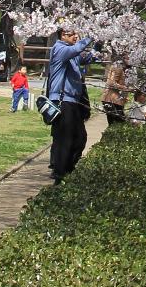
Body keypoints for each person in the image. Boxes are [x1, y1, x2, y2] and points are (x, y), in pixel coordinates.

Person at [46, 26, 92, 182]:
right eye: (72, 34)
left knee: (80, 138)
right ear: (62, 36)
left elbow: (86, 57)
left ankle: (67, 168)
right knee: (65, 139)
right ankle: (60, 173)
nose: (76, 37)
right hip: (62, 100)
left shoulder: (72, 52)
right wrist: (92, 35)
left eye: (76, 34)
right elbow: (78, 49)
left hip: (73, 101)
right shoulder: (60, 49)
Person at [101, 55, 128, 123]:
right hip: (111, 99)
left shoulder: (120, 67)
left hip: (114, 99)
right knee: (118, 123)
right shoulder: (117, 67)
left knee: (116, 124)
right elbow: (111, 83)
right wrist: (125, 88)